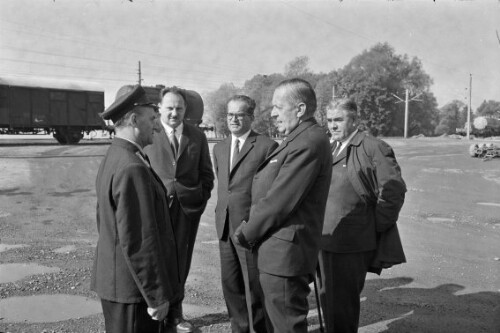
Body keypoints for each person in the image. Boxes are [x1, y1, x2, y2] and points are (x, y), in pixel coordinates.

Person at [233, 78, 333, 332]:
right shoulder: (298, 139)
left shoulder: (307, 142)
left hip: (285, 257)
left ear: (300, 109)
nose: (273, 113)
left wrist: (246, 232)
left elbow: (279, 201)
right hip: (277, 252)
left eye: (278, 107)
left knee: (286, 326)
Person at [91, 85, 181, 333]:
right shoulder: (132, 166)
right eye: (152, 118)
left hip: (120, 283)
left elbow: (106, 223)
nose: (157, 125)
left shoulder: (117, 155)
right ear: (133, 119)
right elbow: (139, 240)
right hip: (132, 290)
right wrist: (156, 295)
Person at [318, 98, 407, 333]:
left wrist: (373, 226)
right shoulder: (328, 147)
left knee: (342, 304)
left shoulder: (373, 147)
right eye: (329, 120)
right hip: (323, 238)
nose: (333, 125)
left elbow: (393, 190)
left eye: (339, 120)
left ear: (355, 120)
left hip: (350, 243)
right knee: (326, 298)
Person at [145, 86, 215, 332]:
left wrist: (199, 199)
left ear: (186, 110)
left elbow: (207, 175)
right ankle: (156, 313)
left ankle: (176, 314)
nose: (174, 113)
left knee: (180, 262)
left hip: (187, 210)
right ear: (160, 109)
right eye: (170, 108)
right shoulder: (149, 134)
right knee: (156, 259)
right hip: (156, 209)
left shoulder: (197, 136)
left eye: (179, 108)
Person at [213, 95, 278, 333]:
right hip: (224, 228)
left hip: (249, 230)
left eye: (239, 114)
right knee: (231, 287)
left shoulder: (266, 146)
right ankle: (238, 329)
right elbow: (226, 186)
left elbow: (269, 194)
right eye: (230, 114)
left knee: (253, 288)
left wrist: (253, 225)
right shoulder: (219, 148)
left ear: (251, 117)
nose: (233, 119)